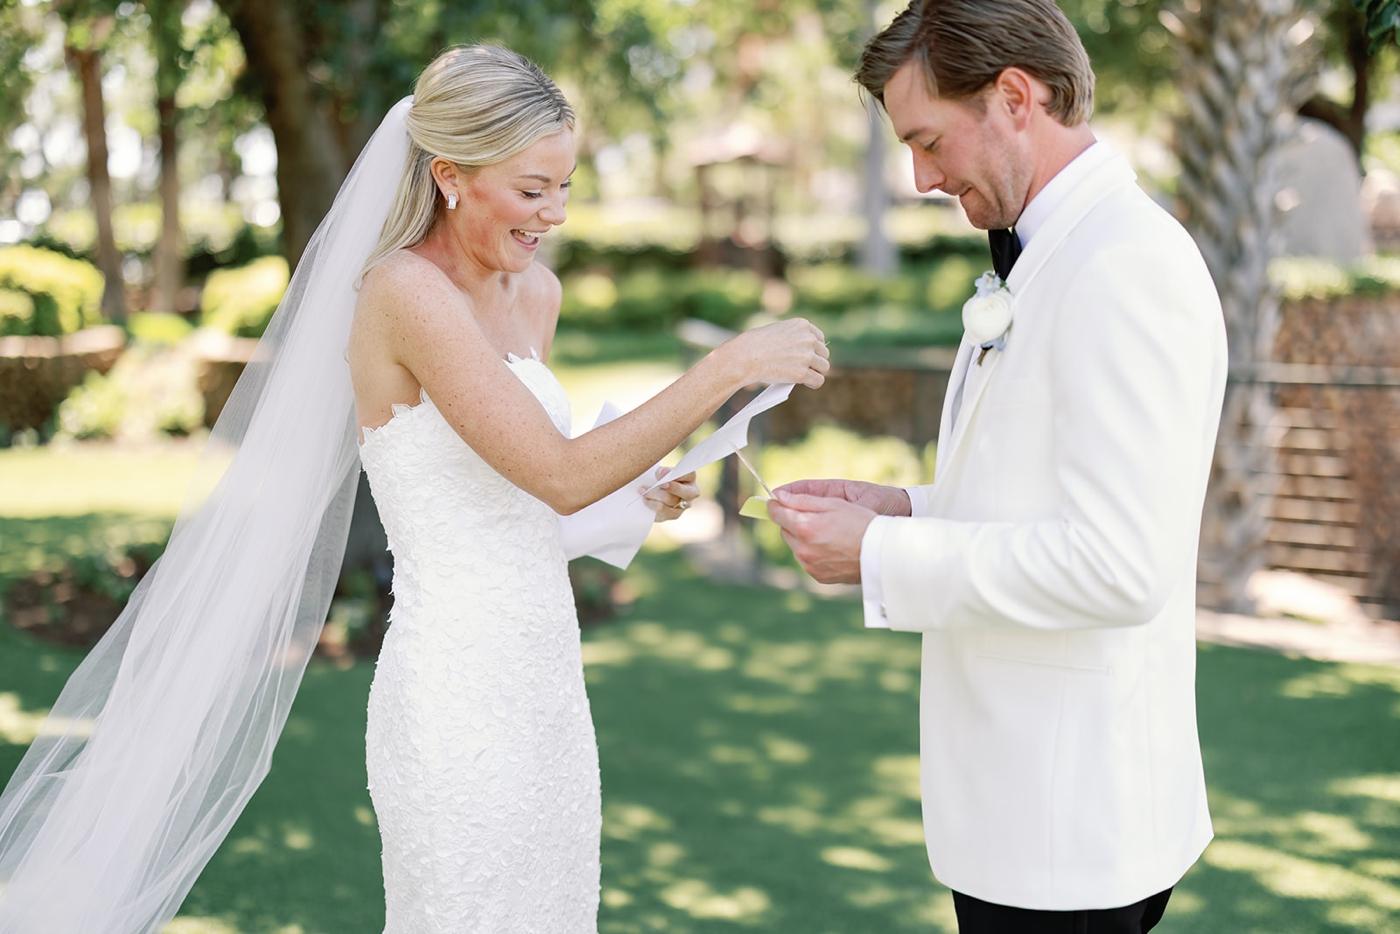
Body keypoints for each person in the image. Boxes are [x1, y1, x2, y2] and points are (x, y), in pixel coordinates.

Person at [0, 45, 829, 934]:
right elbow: (556, 471)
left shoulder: (535, 295)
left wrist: (630, 497)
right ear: (450, 176)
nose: (554, 213)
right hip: (456, 691)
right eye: (531, 189)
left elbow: (518, 502)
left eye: (564, 186)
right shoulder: (404, 293)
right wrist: (727, 367)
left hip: (547, 681)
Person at [767, 2, 1226, 932]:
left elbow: (1119, 565)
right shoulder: (1054, 254)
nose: (922, 177)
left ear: (1015, 97)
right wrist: (903, 508)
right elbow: (1042, 490)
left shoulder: (1123, 265)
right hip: (1023, 819)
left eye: (930, 141)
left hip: (1073, 829)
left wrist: (880, 554)